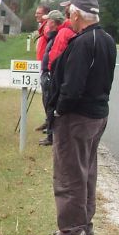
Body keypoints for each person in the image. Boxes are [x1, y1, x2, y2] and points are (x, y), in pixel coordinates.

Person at [45, 0, 117, 235]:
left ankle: (71, 232)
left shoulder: (83, 43)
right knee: (86, 171)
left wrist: (58, 110)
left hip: (77, 118)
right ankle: (84, 226)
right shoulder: (107, 40)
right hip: (97, 114)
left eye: (68, 14)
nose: (68, 19)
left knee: (69, 174)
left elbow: (72, 87)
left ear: (76, 15)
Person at [38, 10, 75, 147]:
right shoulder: (59, 32)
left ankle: (51, 135)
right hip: (51, 73)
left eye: (48, 21)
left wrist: (52, 72)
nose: (46, 23)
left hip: (53, 74)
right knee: (48, 103)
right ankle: (51, 132)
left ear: (53, 22)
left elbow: (57, 55)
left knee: (50, 103)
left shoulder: (64, 33)